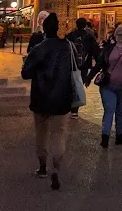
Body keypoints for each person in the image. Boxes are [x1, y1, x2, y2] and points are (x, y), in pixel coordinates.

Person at [21, 13, 71, 191]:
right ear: (57, 28)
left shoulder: (39, 48)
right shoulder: (67, 47)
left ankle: (42, 167)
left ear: (44, 28)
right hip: (61, 97)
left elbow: (25, 73)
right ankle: (56, 167)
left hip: (41, 96)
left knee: (41, 133)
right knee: (58, 133)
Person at [86, 25, 122, 148]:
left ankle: (118, 135)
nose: (121, 37)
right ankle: (105, 136)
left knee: (120, 111)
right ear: (115, 36)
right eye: (119, 35)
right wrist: (89, 77)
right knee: (109, 109)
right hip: (108, 85)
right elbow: (99, 64)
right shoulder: (108, 49)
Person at [65, 18, 100, 119]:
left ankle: (69, 105)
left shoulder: (70, 36)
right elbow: (95, 52)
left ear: (76, 24)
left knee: (71, 85)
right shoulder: (89, 37)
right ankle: (75, 110)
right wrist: (99, 64)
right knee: (79, 86)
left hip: (71, 65)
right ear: (85, 25)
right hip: (84, 66)